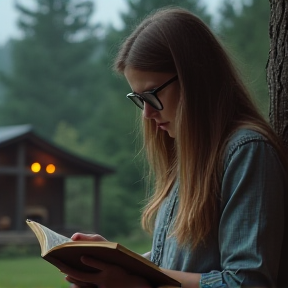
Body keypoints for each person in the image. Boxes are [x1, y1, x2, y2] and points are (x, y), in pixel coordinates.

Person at [57, 7, 288, 288]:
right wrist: (115, 261)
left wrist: (137, 284)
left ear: (195, 79)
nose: (147, 114)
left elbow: (247, 282)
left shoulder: (246, 151)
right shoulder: (187, 156)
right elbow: (179, 263)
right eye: (138, 98)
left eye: (152, 94)